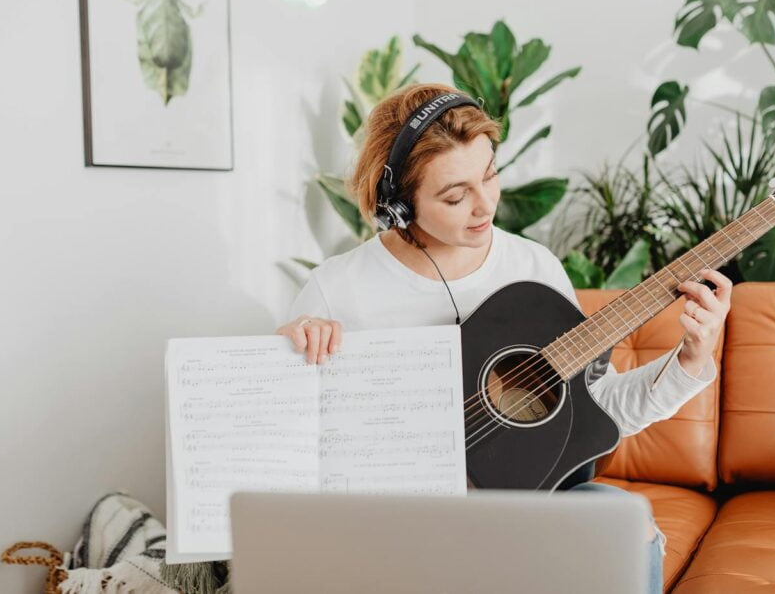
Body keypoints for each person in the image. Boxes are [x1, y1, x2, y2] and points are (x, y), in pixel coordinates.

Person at [278, 83, 731, 594]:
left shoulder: (534, 268)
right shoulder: (338, 287)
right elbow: (286, 446)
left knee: (624, 519)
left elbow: (596, 413)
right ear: (399, 205)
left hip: (517, 513)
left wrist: (691, 358)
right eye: (455, 196)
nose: (484, 205)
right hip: (394, 525)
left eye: (490, 175)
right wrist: (287, 356)